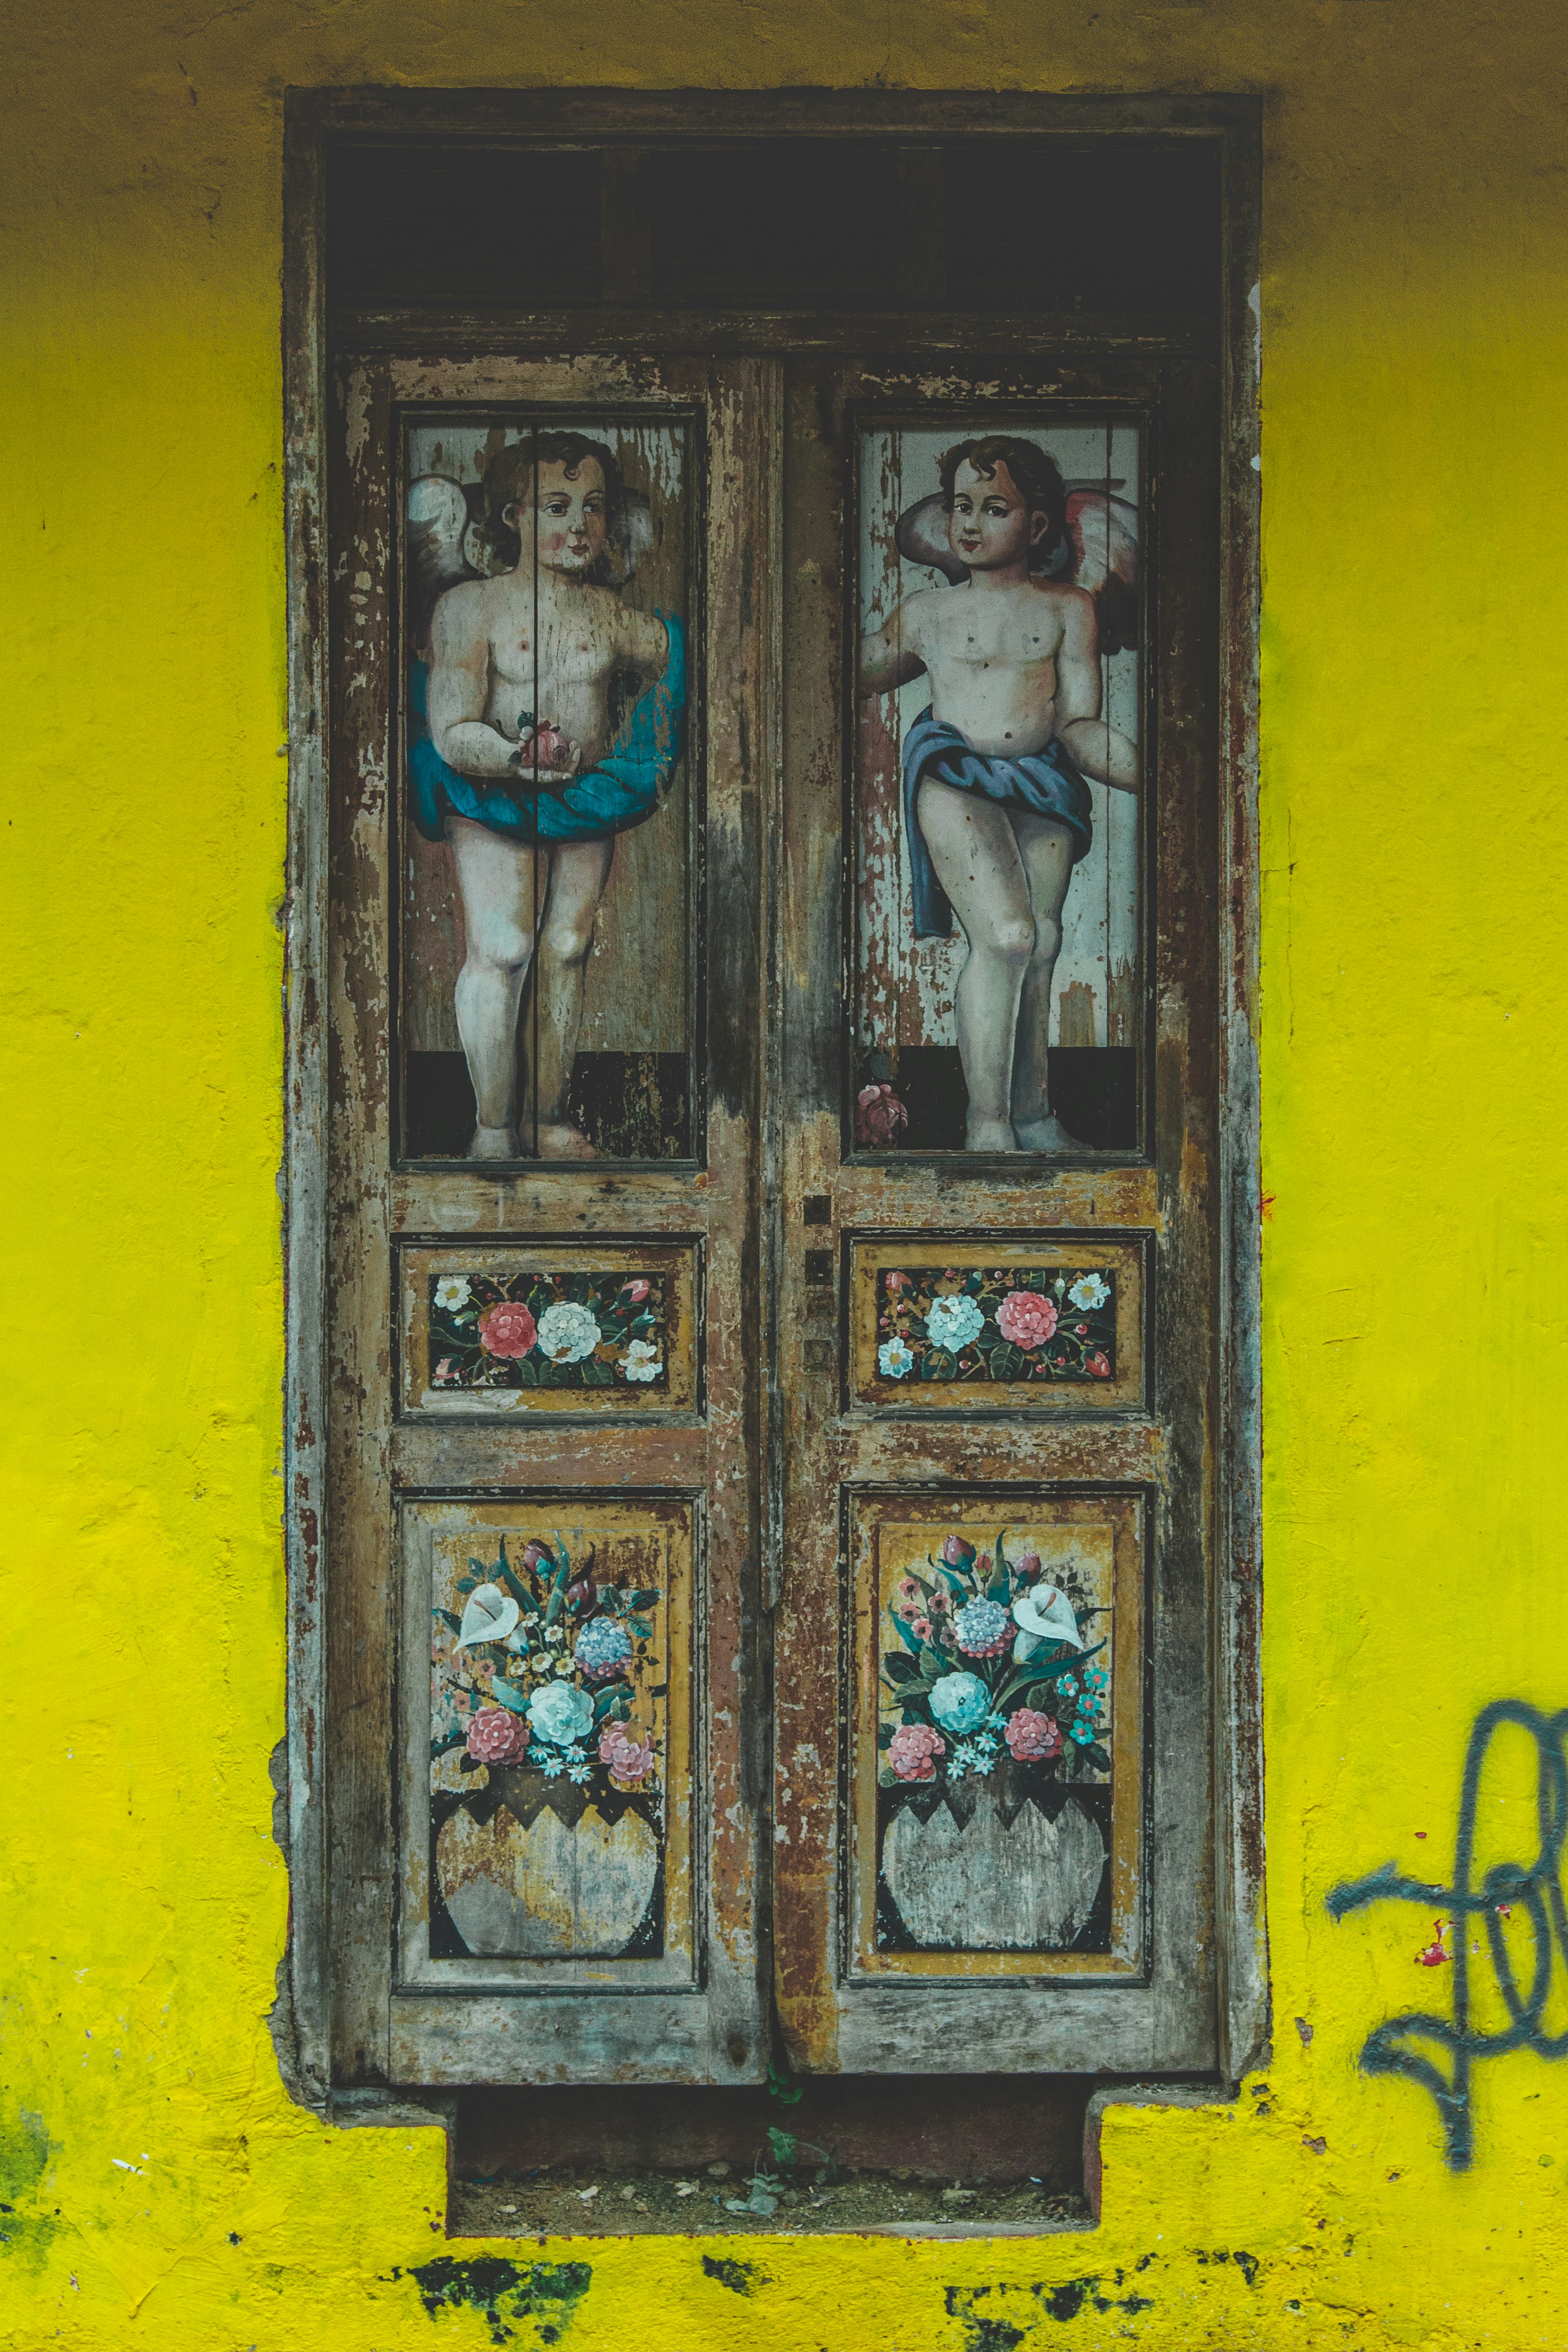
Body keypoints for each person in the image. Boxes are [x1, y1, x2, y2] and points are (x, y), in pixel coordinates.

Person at [858, 436, 1138, 1153]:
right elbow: (854, 670)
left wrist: (1146, 772)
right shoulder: (927, 612)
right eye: (960, 506)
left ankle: (1032, 1113)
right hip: (954, 776)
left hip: (1041, 780)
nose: (972, 523)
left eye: (994, 507)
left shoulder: (1069, 607)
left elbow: (1076, 723)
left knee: (1040, 943)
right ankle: (986, 1125)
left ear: (1037, 526)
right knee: (1006, 938)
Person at [413, 433, 683, 1160]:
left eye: (594, 508)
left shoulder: (609, 615)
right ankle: (493, 1128)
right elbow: (449, 728)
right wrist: (511, 756)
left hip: (585, 797)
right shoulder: (473, 607)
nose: (578, 525)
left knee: (566, 948)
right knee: (502, 948)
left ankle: (545, 1115)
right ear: (512, 517)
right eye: (555, 506)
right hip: (490, 795)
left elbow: (685, 658)